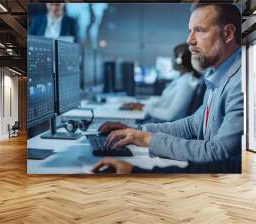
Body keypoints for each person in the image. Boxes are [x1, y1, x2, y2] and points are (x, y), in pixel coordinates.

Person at [92, 3, 243, 174]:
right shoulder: (217, 77)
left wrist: (147, 144)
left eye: (199, 30)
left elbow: (219, 152)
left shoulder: (240, 82)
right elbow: (192, 126)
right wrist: (137, 132)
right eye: (190, 30)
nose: (189, 40)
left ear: (228, 33)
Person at [121, 43, 206, 122]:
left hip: (164, 126)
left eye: (174, 57)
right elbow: (162, 103)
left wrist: (144, 107)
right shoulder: (180, 80)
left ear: (179, 61)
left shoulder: (185, 85)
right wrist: (142, 105)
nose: (171, 60)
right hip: (158, 122)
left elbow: (169, 115)